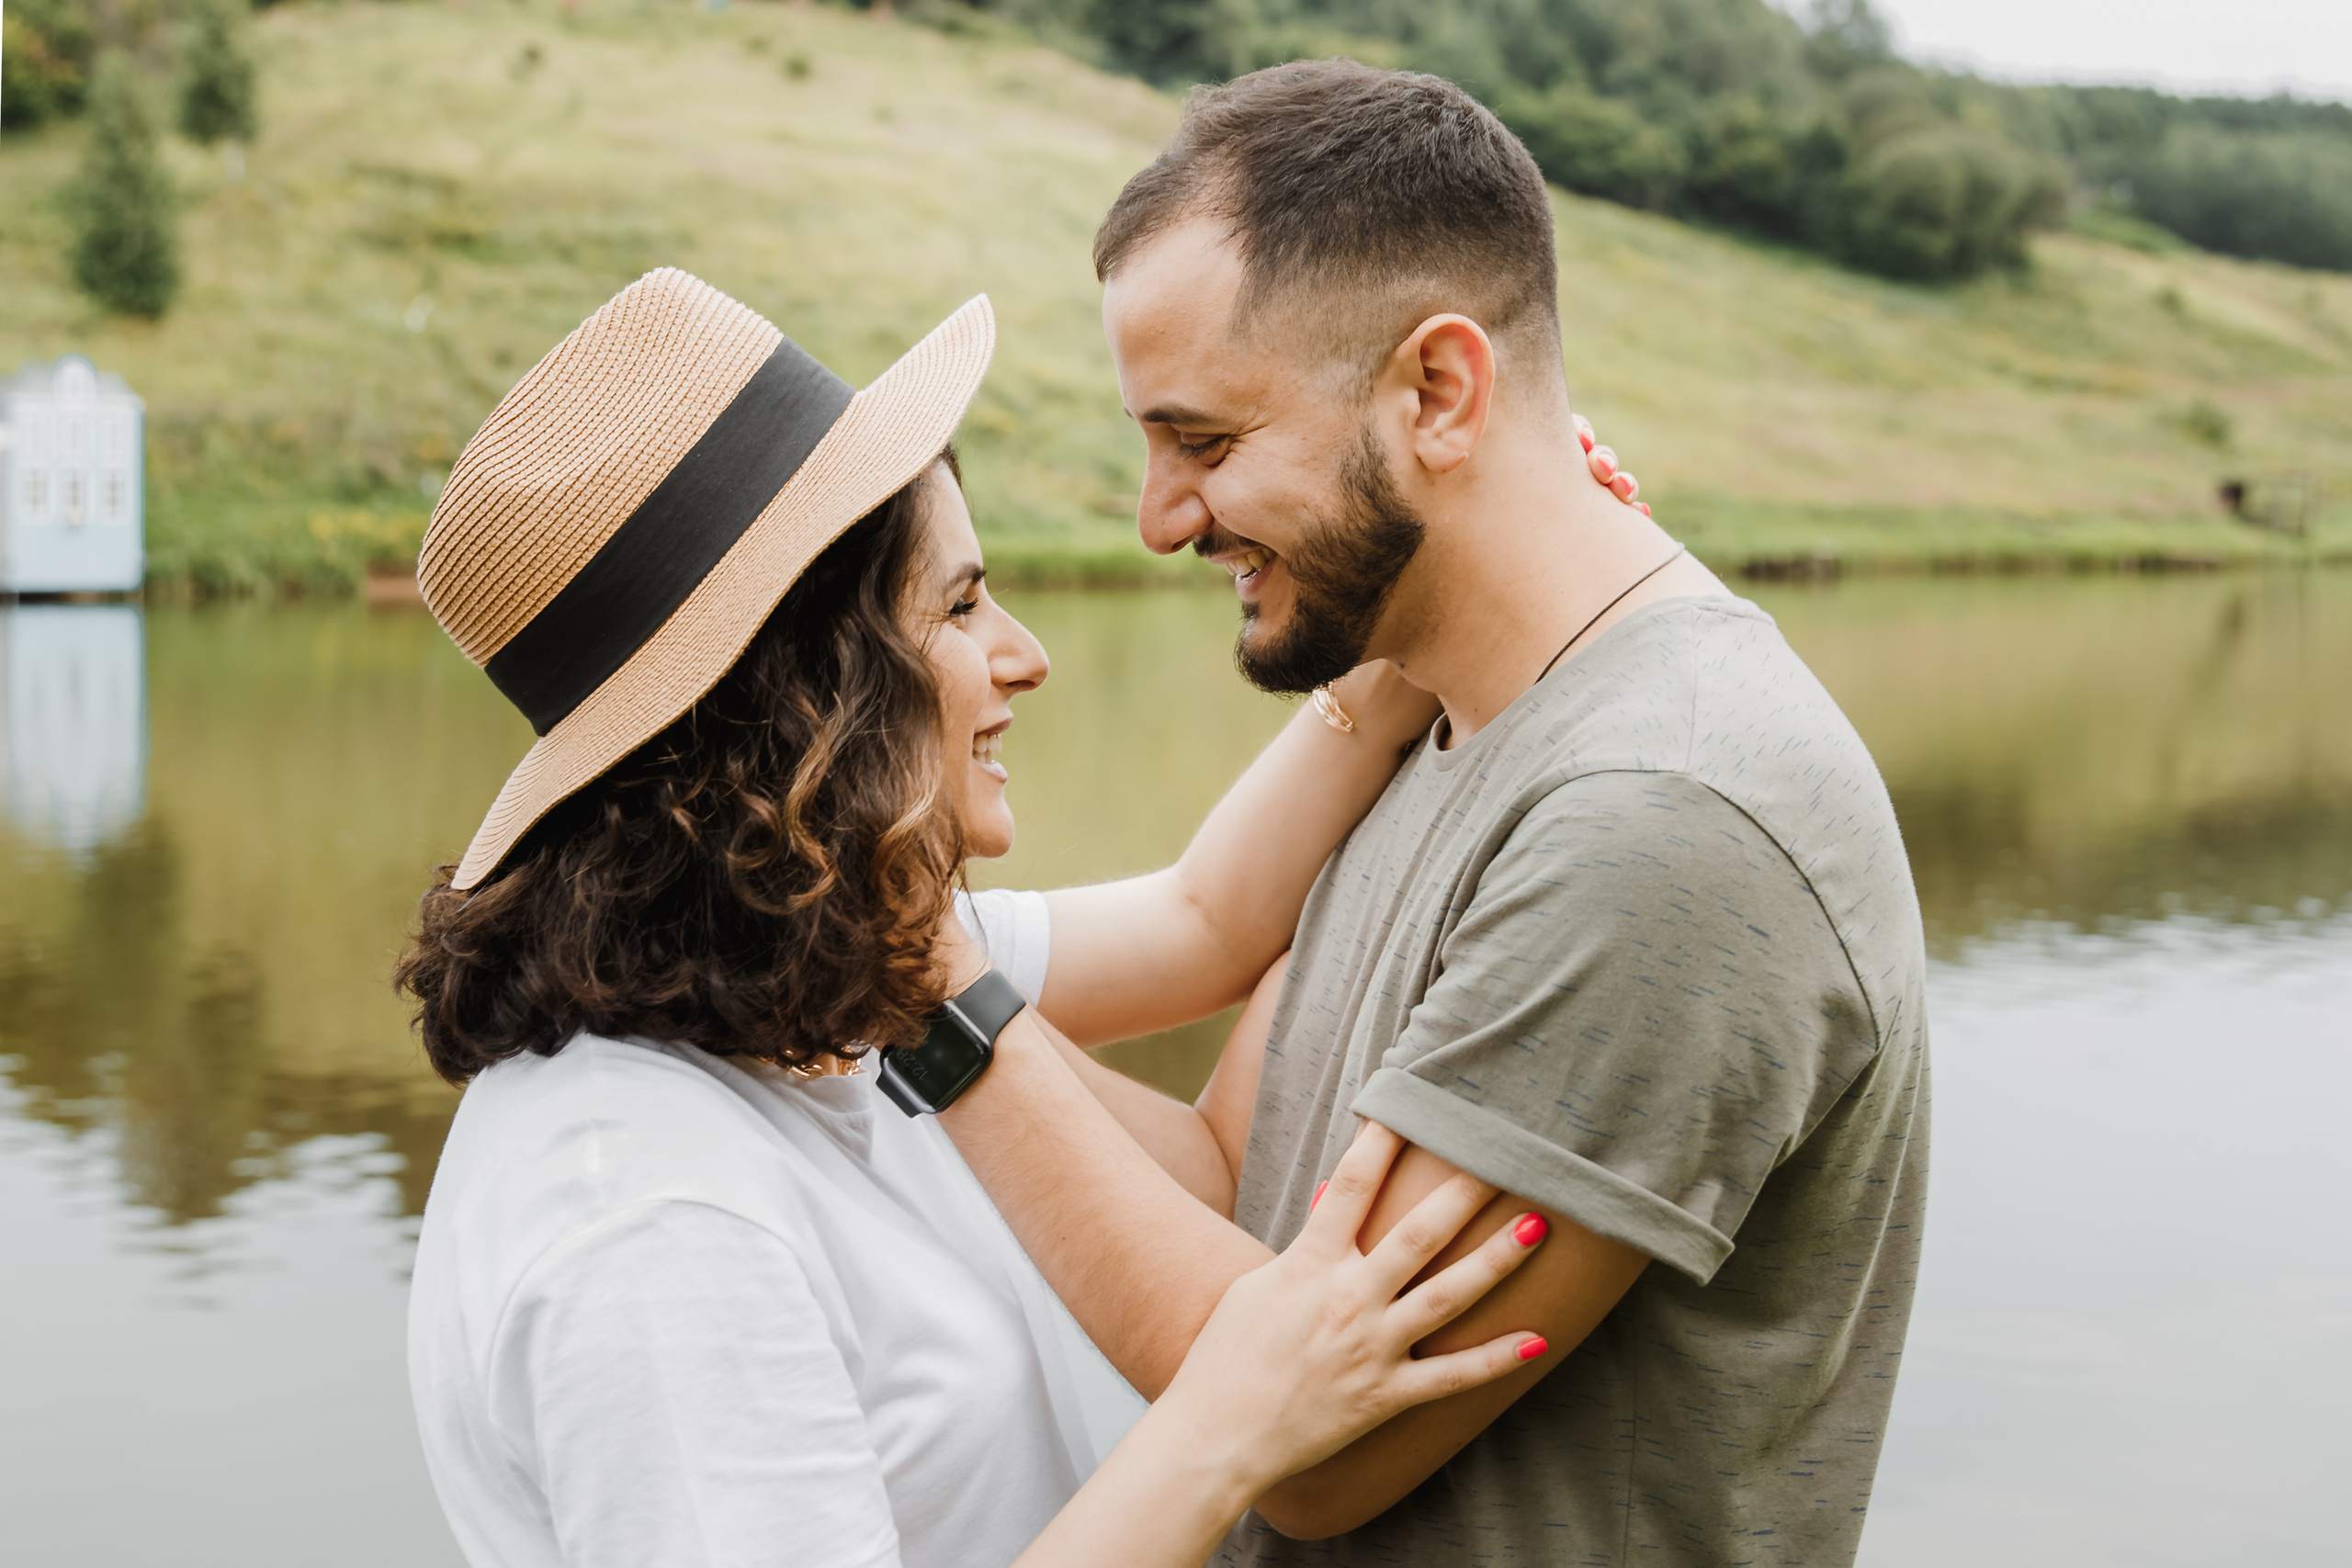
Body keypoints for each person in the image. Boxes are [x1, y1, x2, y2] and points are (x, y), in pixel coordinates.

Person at [394, 268, 1567, 1568]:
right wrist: (1230, 1425)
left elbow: (1206, 922)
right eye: (957, 606)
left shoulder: (821, 979)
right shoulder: (648, 1216)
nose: (1025, 653)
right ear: (806, 702)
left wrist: (1439, 613)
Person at [922, 60, 1932, 1568]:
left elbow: (1324, 1455)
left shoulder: (1660, 824)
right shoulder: (1443, 709)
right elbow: (1231, 1180)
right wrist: (881, 976)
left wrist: (934, 1005)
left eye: (1203, 442)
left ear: (1439, 392)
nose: (1159, 519)